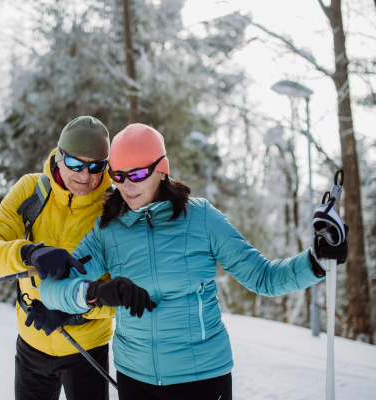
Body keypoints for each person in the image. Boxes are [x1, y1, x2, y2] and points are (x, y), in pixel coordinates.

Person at [32, 123, 349, 400]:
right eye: (118, 175)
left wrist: (317, 261)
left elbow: (263, 278)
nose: (127, 185)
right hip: (133, 378)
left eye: (139, 173)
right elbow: (51, 288)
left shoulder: (201, 218)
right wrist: (96, 293)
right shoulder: (108, 230)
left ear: (161, 168)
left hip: (201, 377)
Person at [0, 116, 117, 400]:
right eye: (75, 164)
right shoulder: (31, 192)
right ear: (59, 158)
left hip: (86, 350)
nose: (85, 176)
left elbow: (123, 294)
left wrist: (73, 308)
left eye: (96, 166)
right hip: (31, 343)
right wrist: (28, 252)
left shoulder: (113, 209)